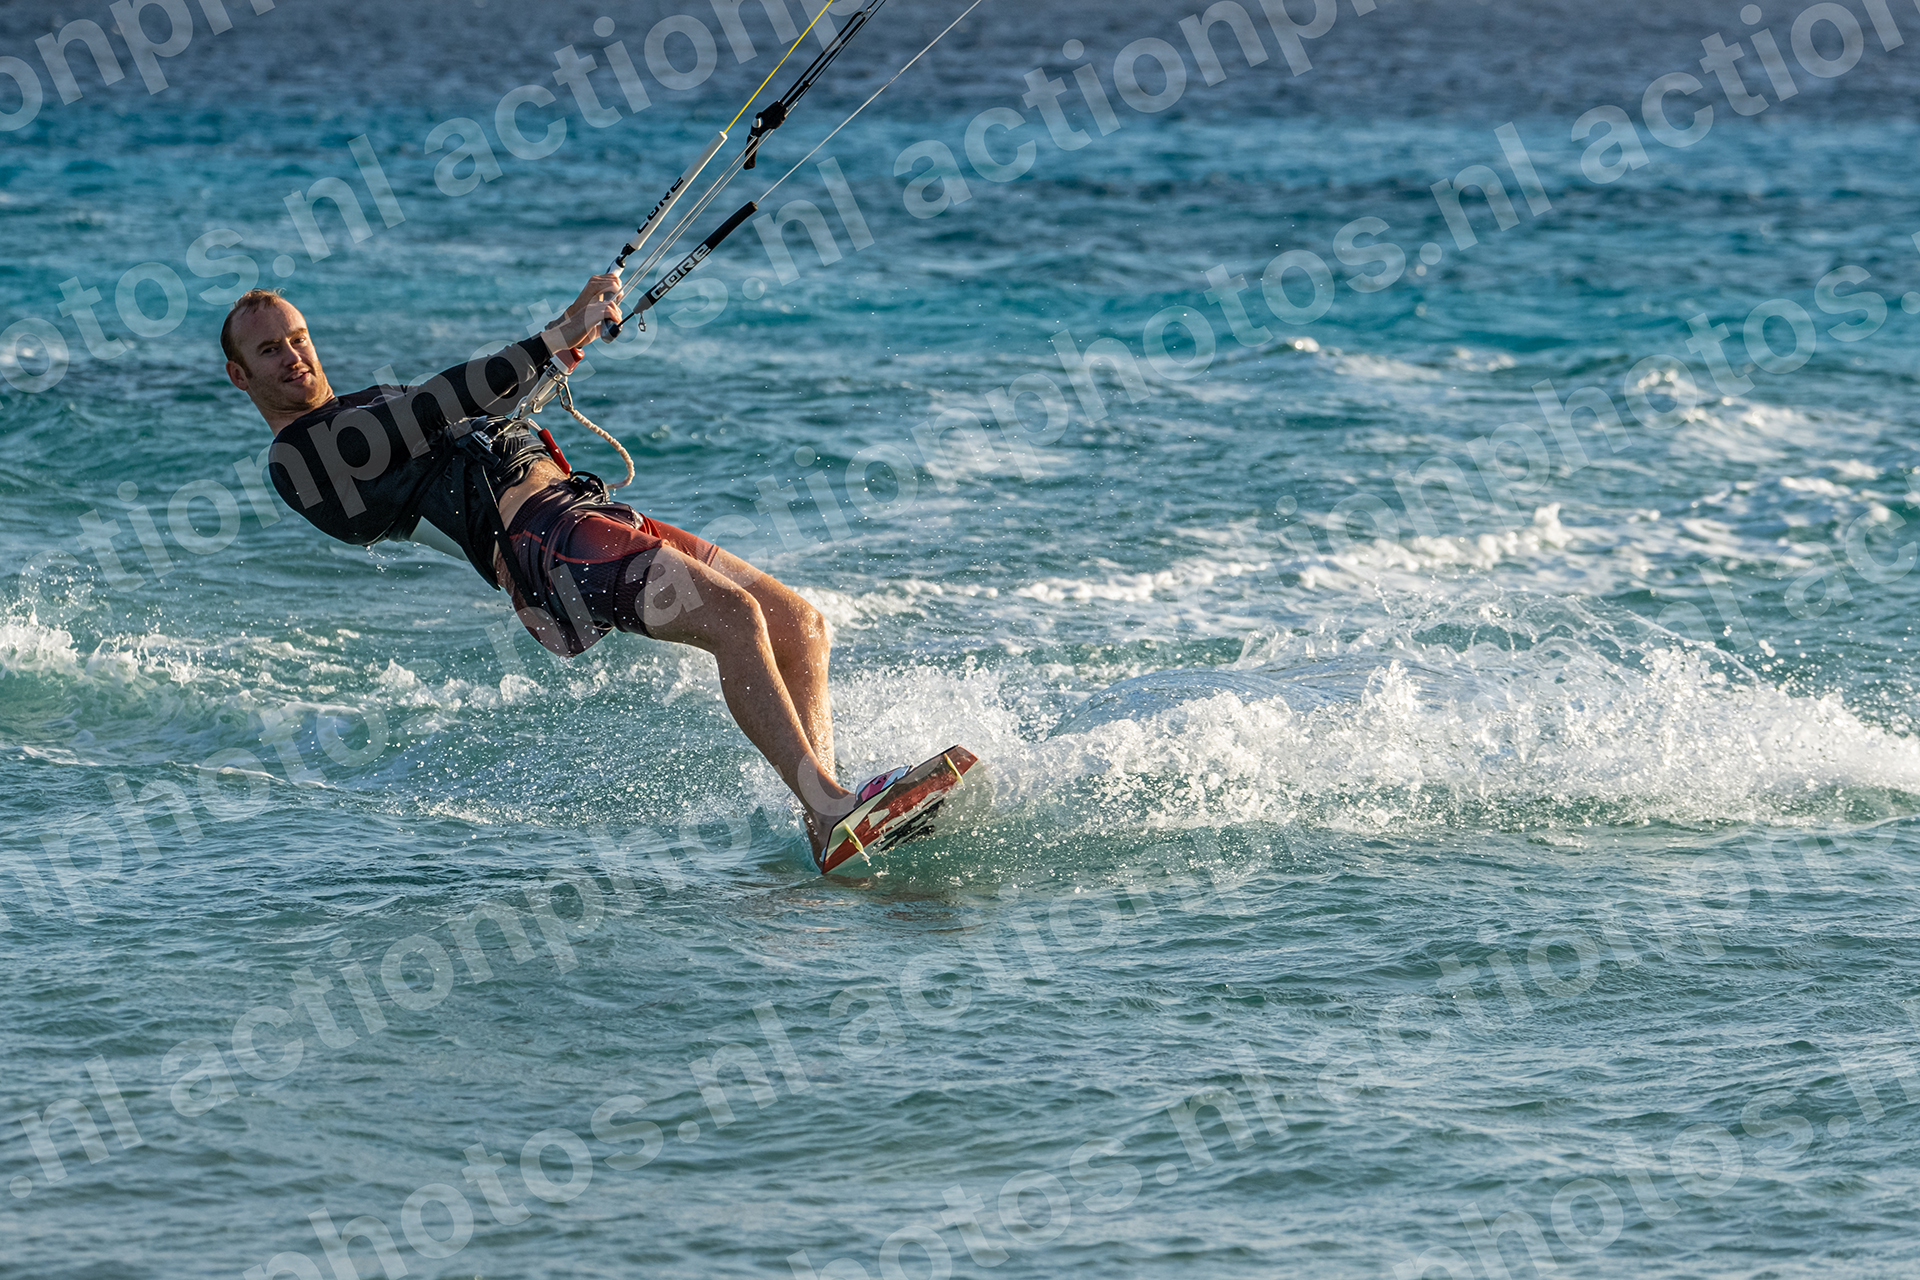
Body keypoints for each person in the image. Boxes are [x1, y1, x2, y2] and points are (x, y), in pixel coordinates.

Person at [223, 278, 908, 860]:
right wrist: (551, 336)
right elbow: (434, 404)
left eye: (297, 338)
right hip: (545, 545)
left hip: (581, 511)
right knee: (735, 618)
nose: (293, 355)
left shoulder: (360, 402)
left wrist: (563, 340)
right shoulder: (300, 460)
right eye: (269, 349)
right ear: (240, 375)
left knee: (799, 625)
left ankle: (829, 825)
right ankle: (830, 806)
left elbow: (478, 407)